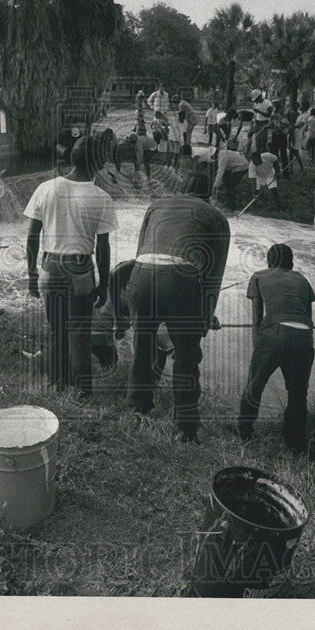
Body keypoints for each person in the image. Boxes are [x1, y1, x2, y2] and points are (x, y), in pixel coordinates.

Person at [125, 171, 230, 441]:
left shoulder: (156, 205)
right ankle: (186, 428)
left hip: (141, 273)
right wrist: (204, 318)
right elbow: (213, 275)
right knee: (186, 356)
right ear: (210, 196)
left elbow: (140, 249)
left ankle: (138, 412)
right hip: (180, 280)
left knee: (143, 346)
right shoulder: (216, 217)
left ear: (183, 188)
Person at [25, 136, 118, 397]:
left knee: (57, 330)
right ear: (97, 165)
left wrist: (32, 273)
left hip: (50, 266)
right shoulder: (101, 197)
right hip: (80, 269)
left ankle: (58, 385)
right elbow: (103, 247)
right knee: (79, 332)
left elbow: (32, 236)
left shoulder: (46, 188)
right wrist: (104, 285)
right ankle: (83, 392)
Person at [237, 244, 315, 453]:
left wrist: (258, 347)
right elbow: (309, 319)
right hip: (303, 337)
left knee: (255, 385)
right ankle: (295, 443)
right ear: (291, 261)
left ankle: (244, 431)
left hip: (274, 334)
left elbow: (257, 319)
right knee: (298, 393)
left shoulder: (258, 276)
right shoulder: (302, 279)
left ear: (269, 260)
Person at [211, 135, 250, 210]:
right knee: (227, 183)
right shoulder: (222, 153)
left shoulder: (222, 155)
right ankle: (229, 205)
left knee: (230, 186)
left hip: (242, 166)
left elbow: (220, 172)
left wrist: (215, 186)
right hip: (234, 166)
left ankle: (231, 207)